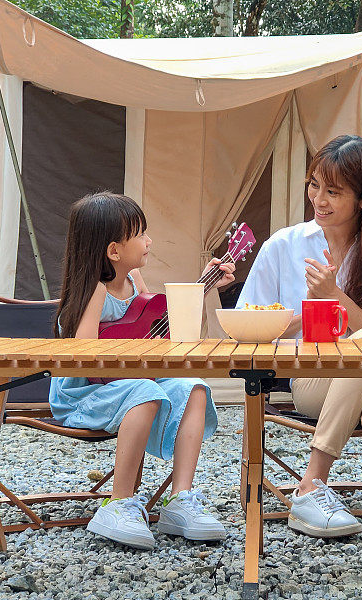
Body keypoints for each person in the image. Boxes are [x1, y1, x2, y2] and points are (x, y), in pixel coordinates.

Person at [237, 135, 362, 570]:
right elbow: (249, 326)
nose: (318, 200)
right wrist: (309, 312)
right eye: (314, 185)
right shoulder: (283, 247)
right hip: (314, 382)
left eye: (333, 191)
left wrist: (338, 299)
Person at [50, 192, 235, 550]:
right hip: (84, 392)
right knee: (146, 391)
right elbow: (82, 354)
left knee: (194, 387)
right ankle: (118, 503)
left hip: (128, 382)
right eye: (141, 234)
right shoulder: (95, 291)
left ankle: (180, 499)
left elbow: (153, 324)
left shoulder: (134, 278)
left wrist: (205, 283)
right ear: (114, 251)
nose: (149, 241)